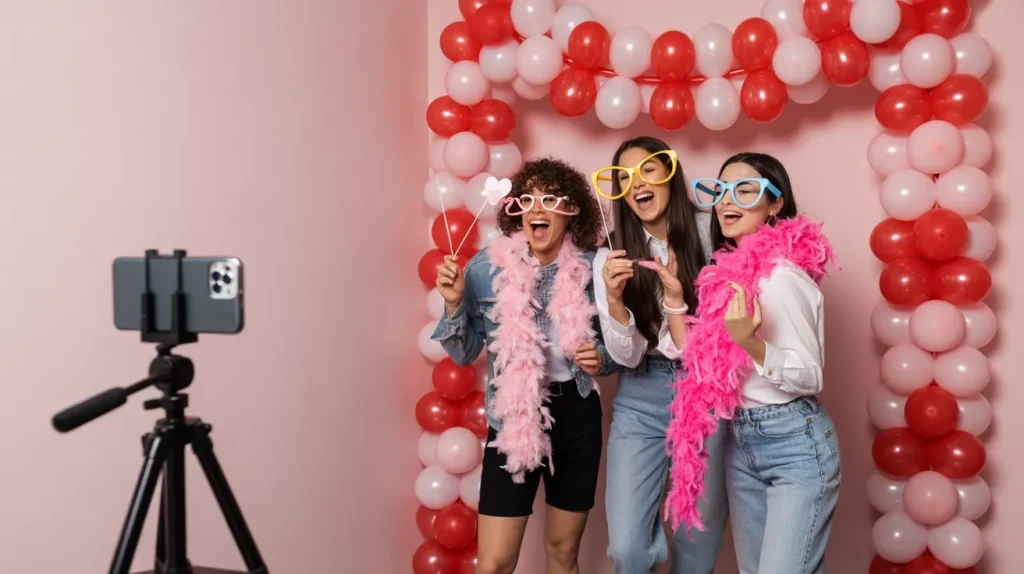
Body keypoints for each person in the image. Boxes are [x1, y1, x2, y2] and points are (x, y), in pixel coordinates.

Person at [432, 157, 619, 574]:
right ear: (515, 210)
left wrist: (600, 359)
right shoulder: (485, 269)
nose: (537, 208)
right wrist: (453, 304)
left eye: (549, 199)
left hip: (577, 412)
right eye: (527, 200)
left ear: (571, 210)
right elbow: (463, 354)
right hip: (513, 414)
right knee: (494, 563)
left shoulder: (596, 268)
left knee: (563, 554)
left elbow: (618, 351)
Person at [663, 152, 841, 574]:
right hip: (741, 440)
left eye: (744, 190)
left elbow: (811, 375)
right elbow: (699, 357)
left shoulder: (783, 278)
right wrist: (674, 300)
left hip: (794, 441)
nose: (727, 201)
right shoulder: (726, 277)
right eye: (721, 191)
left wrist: (752, 344)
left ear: (775, 204)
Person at [591, 135, 729, 574]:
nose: (637, 183)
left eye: (647, 170)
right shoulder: (610, 254)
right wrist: (615, 302)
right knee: (627, 548)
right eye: (625, 177)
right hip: (641, 391)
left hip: (705, 391)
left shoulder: (711, 230)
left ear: (670, 173)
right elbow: (627, 356)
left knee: (697, 541)